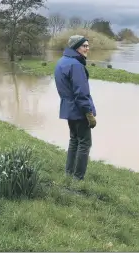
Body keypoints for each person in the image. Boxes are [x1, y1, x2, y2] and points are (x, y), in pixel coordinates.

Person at [54, 35, 97, 180]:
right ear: (75, 47)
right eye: (84, 46)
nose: (87, 48)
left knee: (74, 140)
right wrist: (88, 113)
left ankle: (69, 173)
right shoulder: (76, 65)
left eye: (88, 45)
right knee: (84, 143)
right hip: (79, 110)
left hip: (68, 108)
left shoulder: (62, 61)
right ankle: (78, 178)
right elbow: (81, 93)